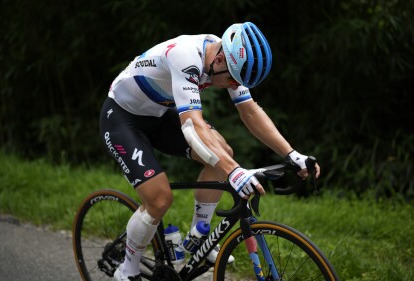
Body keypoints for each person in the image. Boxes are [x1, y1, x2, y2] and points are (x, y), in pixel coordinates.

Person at [99, 22, 320, 281]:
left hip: (157, 114)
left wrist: (292, 154)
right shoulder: (185, 56)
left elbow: (250, 111)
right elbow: (192, 125)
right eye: (230, 79)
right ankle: (127, 270)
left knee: (221, 154)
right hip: (122, 118)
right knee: (159, 199)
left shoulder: (228, 59)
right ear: (219, 58)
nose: (231, 85)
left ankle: (198, 239)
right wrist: (235, 173)